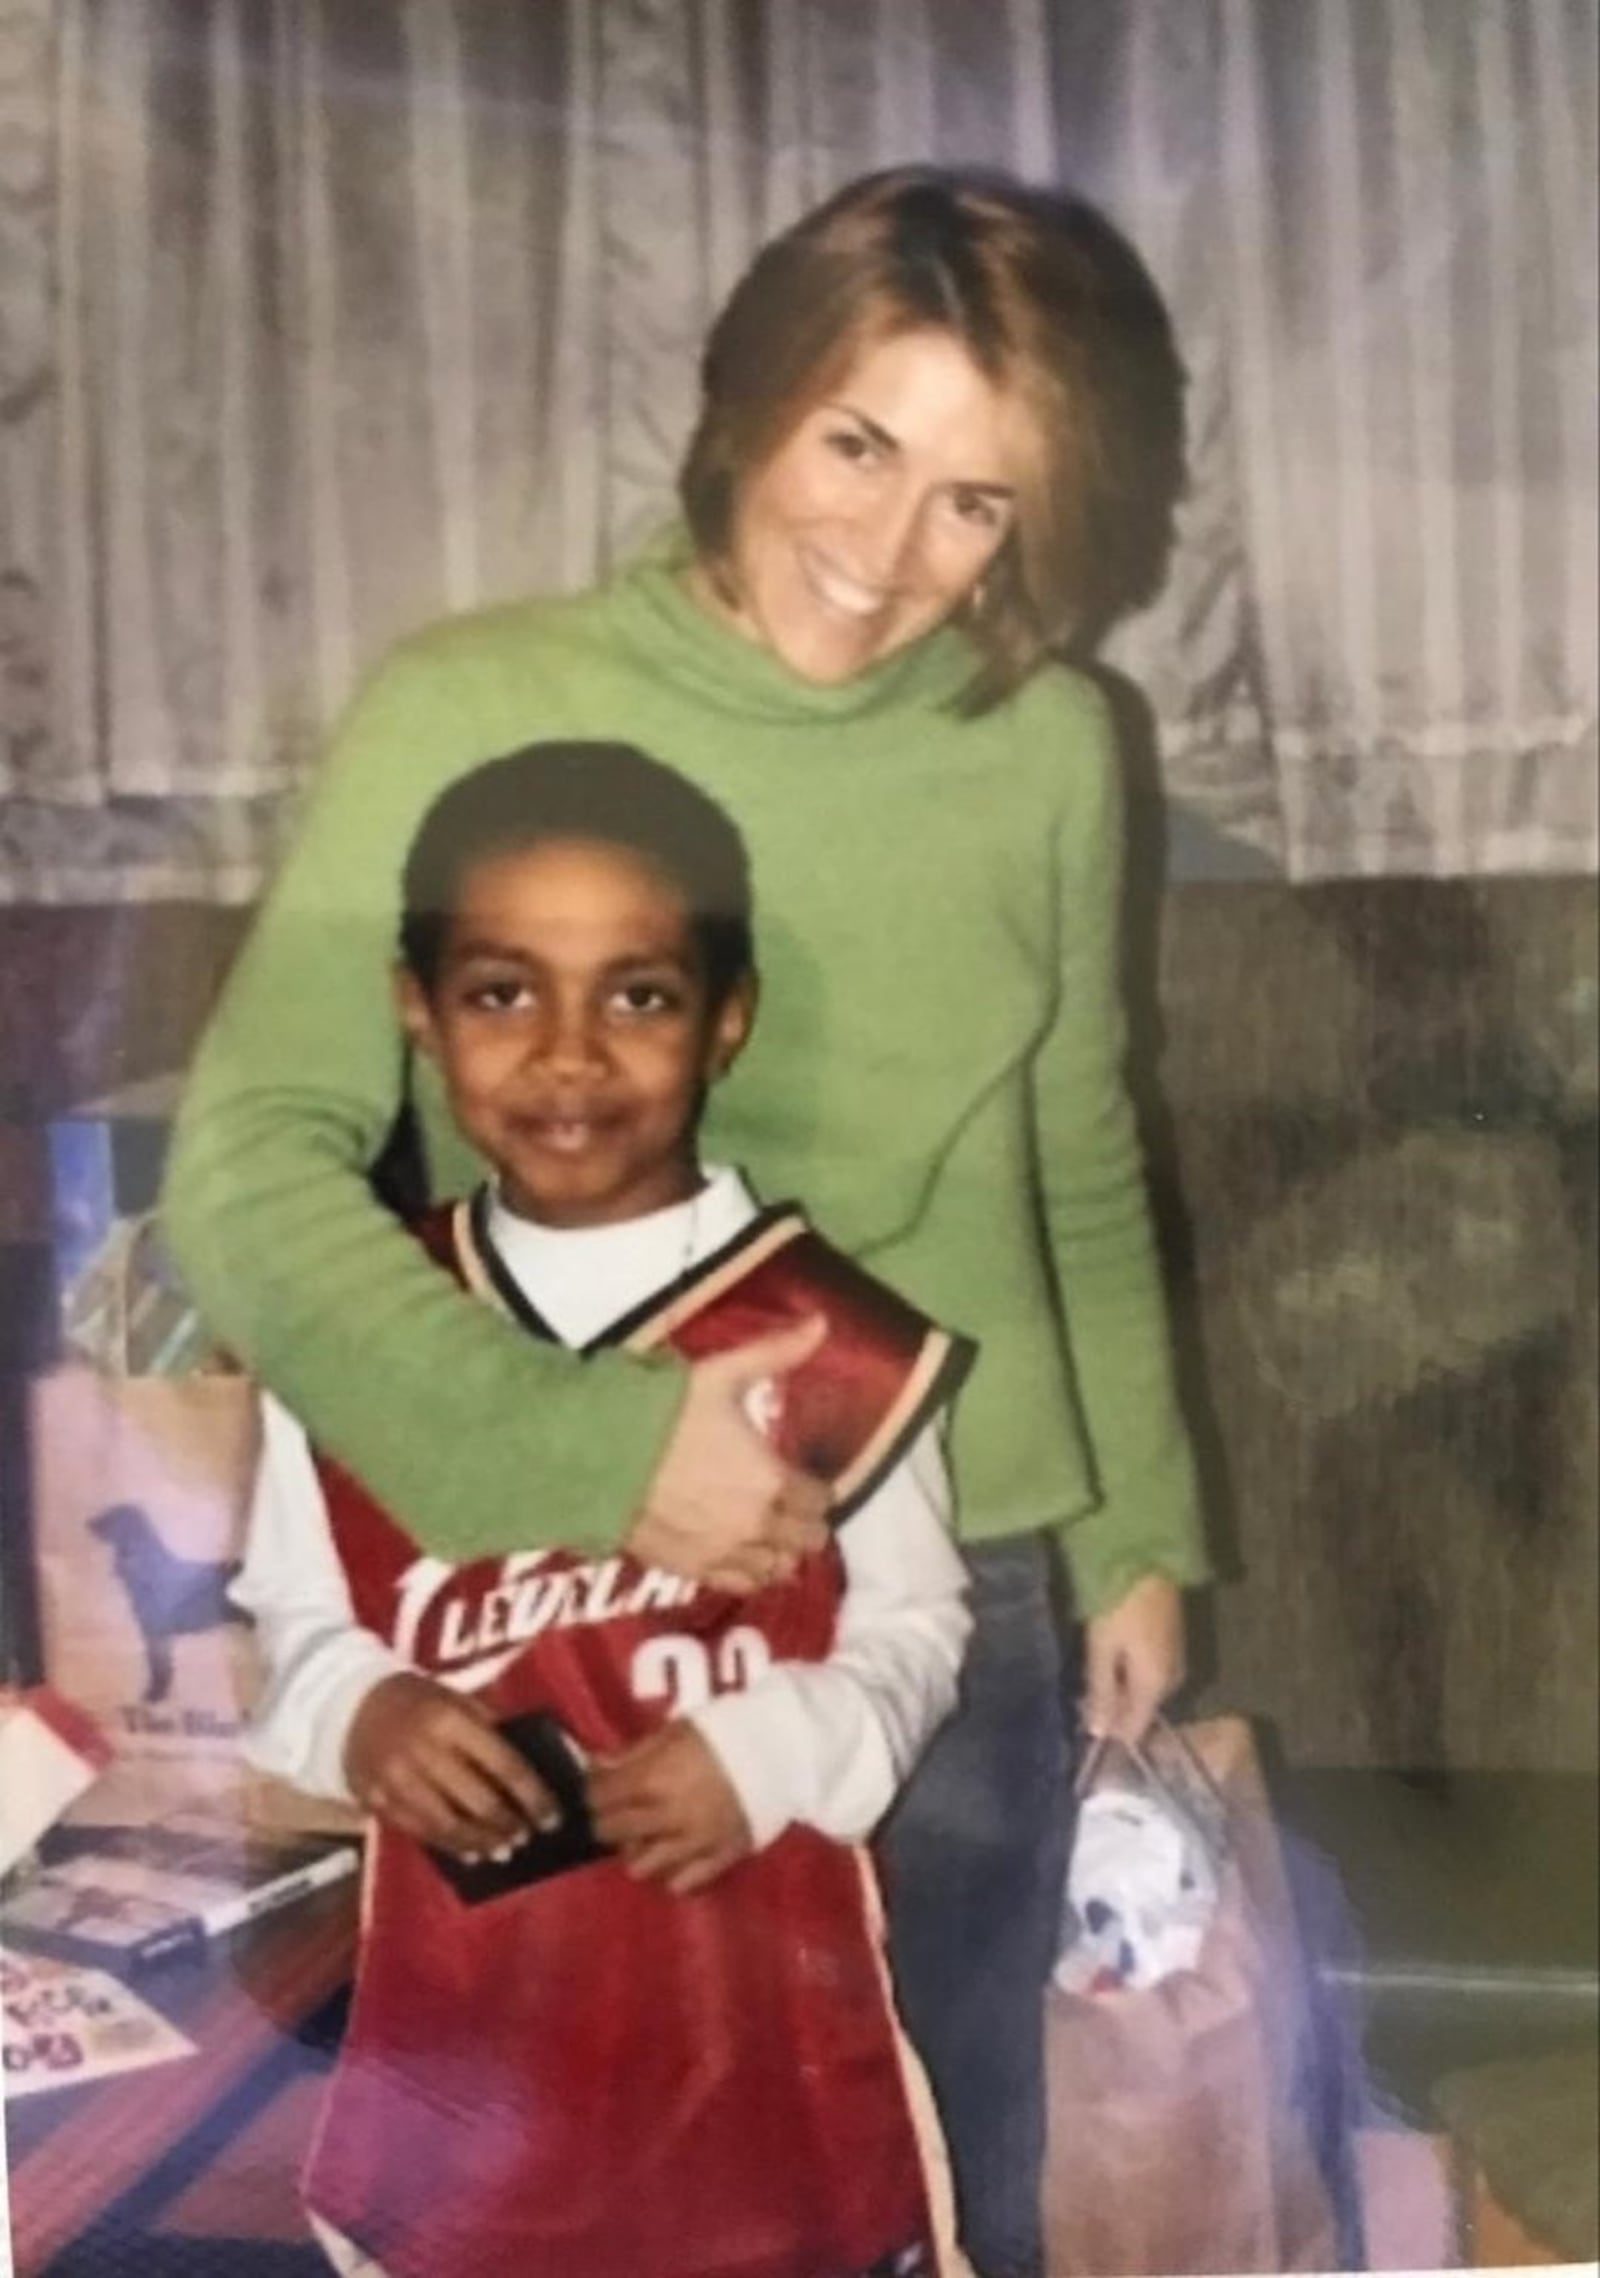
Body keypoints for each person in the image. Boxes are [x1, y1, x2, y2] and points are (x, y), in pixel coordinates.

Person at [166, 166, 1211, 2277]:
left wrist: (1136, 1530)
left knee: (937, 2146)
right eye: (858, 443)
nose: (891, 550)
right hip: (577, 1585)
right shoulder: (470, 698)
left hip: (964, 1569)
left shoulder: (1053, 747)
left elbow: (1076, 1142)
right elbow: (248, 1164)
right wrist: (591, 1453)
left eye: (976, 503)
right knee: (587, 2176)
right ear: (750, 395)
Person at [234, 739, 977, 2278]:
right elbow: (297, 1622)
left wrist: (775, 1746)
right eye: (504, 991)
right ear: (416, 1010)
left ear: (727, 1018)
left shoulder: (831, 1337)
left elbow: (919, 1629)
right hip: (460, 2078)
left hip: (765, 2072)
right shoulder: (361, 1326)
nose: (569, 1055)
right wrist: (363, 1714)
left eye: (636, 994)